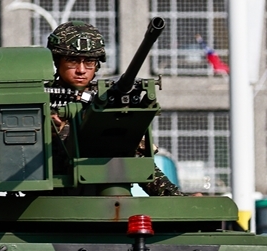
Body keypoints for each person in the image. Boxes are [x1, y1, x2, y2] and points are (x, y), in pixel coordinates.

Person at [46, 21, 182, 197]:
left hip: (107, 198)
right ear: (58, 61)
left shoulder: (106, 99)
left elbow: (132, 154)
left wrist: (171, 195)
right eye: (72, 61)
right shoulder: (41, 99)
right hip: (54, 197)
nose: (81, 70)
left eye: (89, 62)